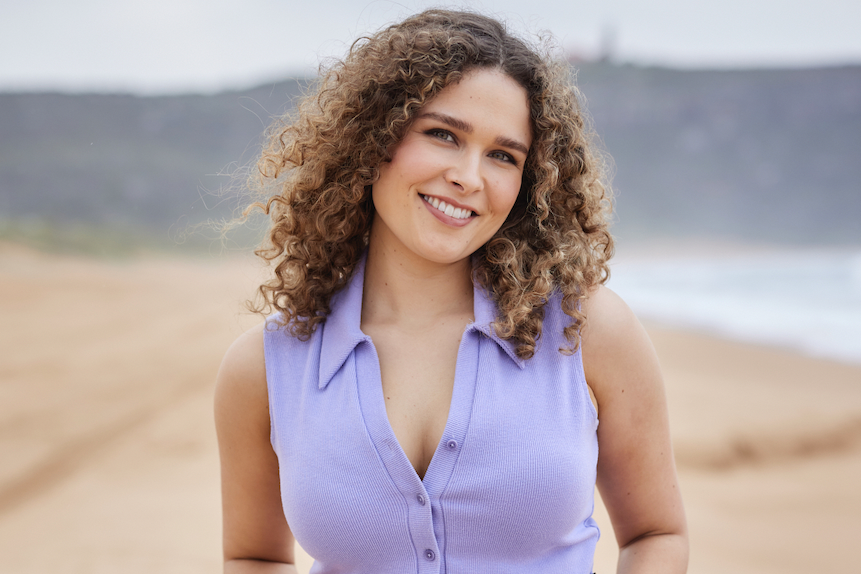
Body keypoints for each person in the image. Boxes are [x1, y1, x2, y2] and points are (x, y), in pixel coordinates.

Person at [214, 9, 688, 574]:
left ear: (527, 183)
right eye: (443, 135)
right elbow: (255, 556)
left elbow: (656, 534)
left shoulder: (587, 333)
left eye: (503, 156)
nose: (470, 176)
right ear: (374, 140)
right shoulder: (265, 369)